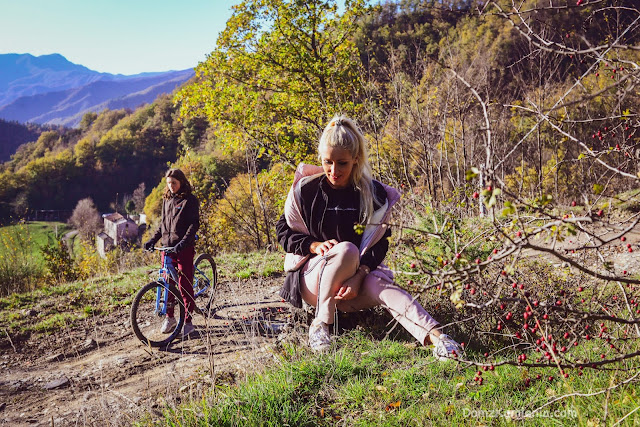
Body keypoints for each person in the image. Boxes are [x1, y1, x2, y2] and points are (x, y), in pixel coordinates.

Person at [275, 115, 461, 359]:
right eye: (327, 162)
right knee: (347, 250)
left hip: (353, 284)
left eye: (342, 163)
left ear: (355, 159)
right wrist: (313, 245)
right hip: (314, 280)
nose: (333, 170)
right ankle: (321, 325)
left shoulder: (372, 194)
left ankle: (440, 339)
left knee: (382, 286)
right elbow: (284, 231)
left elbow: (380, 243)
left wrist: (360, 275)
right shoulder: (307, 190)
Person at [144, 168, 200, 337]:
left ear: (181, 182)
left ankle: (189, 321)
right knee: (167, 283)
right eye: (168, 183)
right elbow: (163, 225)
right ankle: (170, 318)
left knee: (185, 285)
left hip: (183, 248)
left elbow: (193, 225)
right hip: (167, 248)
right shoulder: (167, 199)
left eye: (174, 183)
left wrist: (183, 243)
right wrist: (152, 240)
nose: (171, 186)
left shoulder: (189, 200)